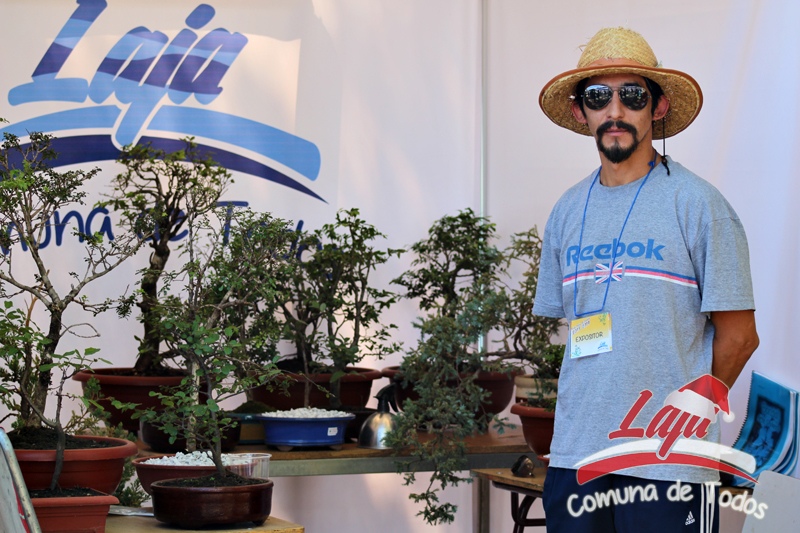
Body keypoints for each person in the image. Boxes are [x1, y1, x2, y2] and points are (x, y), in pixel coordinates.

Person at [533, 27, 759, 532]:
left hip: (668, 462)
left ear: (657, 108)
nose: (615, 111)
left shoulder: (699, 205)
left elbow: (741, 336)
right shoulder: (567, 211)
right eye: (598, 97)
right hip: (576, 457)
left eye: (632, 96)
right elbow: (572, 329)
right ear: (580, 112)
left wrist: (694, 407)